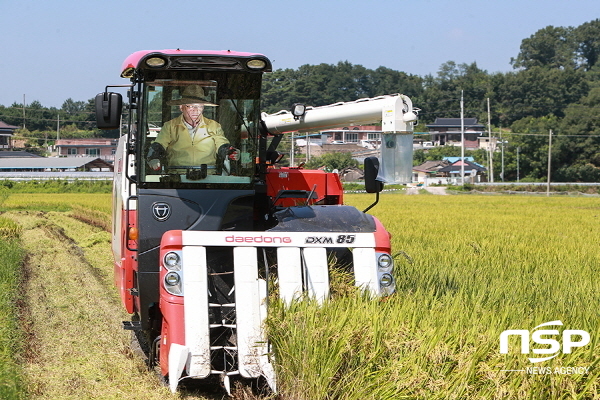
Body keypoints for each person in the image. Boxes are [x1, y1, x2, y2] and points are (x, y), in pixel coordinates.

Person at [147, 85, 239, 172]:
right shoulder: (170, 126)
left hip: (208, 176)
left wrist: (230, 151)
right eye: (190, 106)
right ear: (181, 107)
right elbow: (159, 145)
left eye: (199, 106)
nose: (195, 110)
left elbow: (221, 144)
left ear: (203, 107)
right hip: (177, 176)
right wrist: (153, 157)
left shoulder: (214, 126)